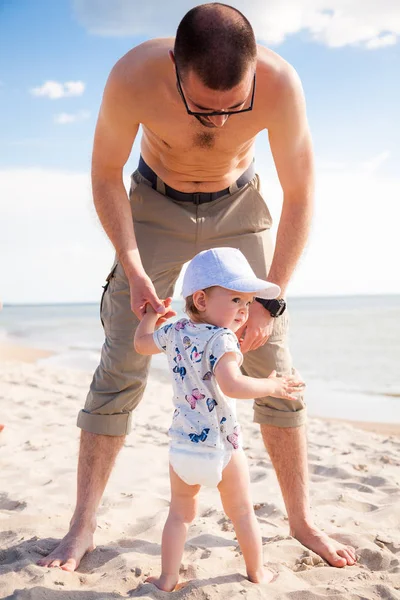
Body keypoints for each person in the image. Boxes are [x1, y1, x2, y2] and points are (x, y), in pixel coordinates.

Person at [38, 3, 356, 571]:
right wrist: (133, 267)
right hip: (155, 203)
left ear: (254, 71)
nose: (216, 121)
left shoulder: (281, 84)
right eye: (201, 108)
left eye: (233, 108)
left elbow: (302, 194)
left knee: (274, 363)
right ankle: (82, 525)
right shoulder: (134, 74)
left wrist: (271, 297)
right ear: (175, 68)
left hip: (240, 205)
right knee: (119, 363)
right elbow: (105, 172)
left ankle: (302, 520)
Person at [134, 247, 305, 591]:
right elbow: (233, 384)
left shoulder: (176, 331)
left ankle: (168, 577)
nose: (244, 311)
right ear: (200, 299)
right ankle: (257, 572)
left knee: (179, 514)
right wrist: (271, 385)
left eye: (247, 303)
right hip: (222, 447)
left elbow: (140, 345)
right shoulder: (222, 338)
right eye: (236, 301)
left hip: (182, 446)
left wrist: (152, 316)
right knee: (242, 513)